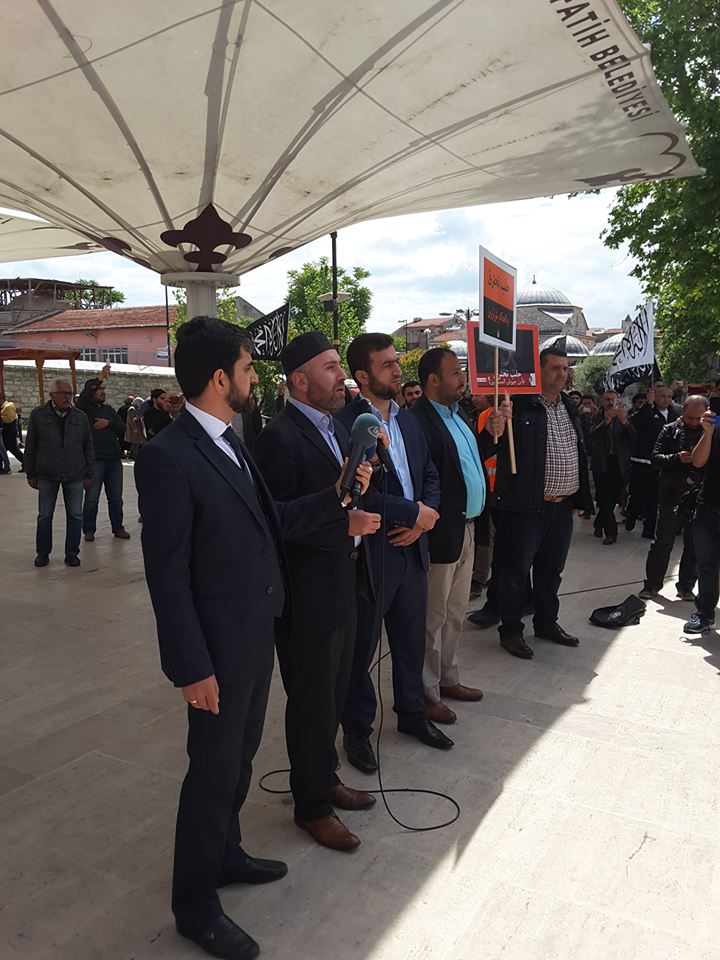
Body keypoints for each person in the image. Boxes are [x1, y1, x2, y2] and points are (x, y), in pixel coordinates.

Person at [135, 317, 372, 960]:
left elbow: (275, 520)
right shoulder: (168, 456)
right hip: (214, 651)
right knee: (211, 773)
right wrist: (190, 666)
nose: (253, 380)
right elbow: (167, 574)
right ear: (220, 378)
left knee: (237, 760)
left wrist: (338, 495)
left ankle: (227, 852)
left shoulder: (233, 441)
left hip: (253, 635)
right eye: (247, 369)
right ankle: (195, 905)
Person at [253, 332, 383, 853]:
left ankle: (325, 778)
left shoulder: (339, 426)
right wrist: (340, 519)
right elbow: (277, 522)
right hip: (307, 594)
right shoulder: (279, 438)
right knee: (311, 701)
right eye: (330, 367)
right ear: (299, 380)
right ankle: (311, 807)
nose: (341, 375)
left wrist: (361, 482)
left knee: (333, 693)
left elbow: (339, 495)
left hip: (343, 581)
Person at [337, 333, 451, 774]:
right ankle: (358, 730)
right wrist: (412, 513)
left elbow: (428, 471)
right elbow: (357, 491)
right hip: (373, 553)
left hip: (412, 549)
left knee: (410, 641)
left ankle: (412, 713)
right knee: (361, 650)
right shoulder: (347, 424)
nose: (397, 369)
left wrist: (426, 516)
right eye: (386, 364)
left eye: (396, 361)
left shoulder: (408, 419)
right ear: (362, 376)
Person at [411, 348, 510, 719]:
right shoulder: (417, 422)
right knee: (432, 619)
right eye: (455, 372)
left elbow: (467, 460)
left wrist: (490, 433)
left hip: (467, 527)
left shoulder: (460, 415)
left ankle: (447, 678)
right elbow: (425, 478)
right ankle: (424, 691)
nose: (463, 378)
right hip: (439, 534)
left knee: (455, 614)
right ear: (433, 379)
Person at [491, 345, 593, 659]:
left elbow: (577, 452)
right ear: (539, 370)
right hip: (526, 508)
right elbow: (496, 445)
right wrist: (497, 423)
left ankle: (547, 623)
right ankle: (511, 631)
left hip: (561, 508)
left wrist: (580, 498)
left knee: (551, 572)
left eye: (565, 368)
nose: (562, 373)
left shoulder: (568, 406)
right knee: (515, 573)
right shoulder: (518, 405)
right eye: (555, 368)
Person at [640, 396, 707, 600]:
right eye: (689, 417)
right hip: (672, 493)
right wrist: (676, 458)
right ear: (682, 412)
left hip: (699, 495)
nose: (694, 422)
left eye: (698, 418)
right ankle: (652, 585)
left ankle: (686, 587)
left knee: (694, 544)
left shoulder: (711, 431)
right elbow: (655, 457)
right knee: (662, 542)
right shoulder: (670, 430)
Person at [24, 379, 94, 567]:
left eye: (69, 393)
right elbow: (31, 446)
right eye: (63, 393)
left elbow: (88, 446)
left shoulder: (80, 417)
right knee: (45, 515)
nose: (67, 397)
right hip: (47, 473)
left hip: (75, 473)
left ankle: (72, 553)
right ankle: (42, 553)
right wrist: (30, 473)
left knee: (76, 515)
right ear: (52, 395)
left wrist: (89, 473)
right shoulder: (39, 415)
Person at [76, 365, 130, 541]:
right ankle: (89, 530)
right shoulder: (85, 409)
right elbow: (84, 397)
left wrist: (109, 423)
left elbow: (122, 427)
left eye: (104, 389)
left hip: (113, 459)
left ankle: (118, 527)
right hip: (95, 460)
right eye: (99, 389)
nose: (102, 392)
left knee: (116, 498)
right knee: (92, 498)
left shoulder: (109, 410)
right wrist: (100, 377)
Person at [625, 386, 681, 537]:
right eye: (662, 396)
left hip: (662, 462)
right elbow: (634, 421)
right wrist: (647, 406)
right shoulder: (646, 411)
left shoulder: (675, 415)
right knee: (638, 494)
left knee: (655, 497)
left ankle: (649, 528)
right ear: (654, 397)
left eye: (669, 397)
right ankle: (631, 515)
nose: (666, 400)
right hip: (643, 461)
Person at [683, 407, 720, 634]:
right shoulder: (714, 425)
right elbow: (697, 462)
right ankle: (705, 613)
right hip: (708, 507)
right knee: (706, 565)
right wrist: (707, 433)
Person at [588, 391, 635, 544]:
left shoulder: (625, 416)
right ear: (602, 401)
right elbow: (593, 435)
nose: (610, 402)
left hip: (620, 464)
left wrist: (625, 422)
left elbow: (634, 437)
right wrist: (606, 422)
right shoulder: (597, 416)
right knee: (605, 498)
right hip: (601, 464)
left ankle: (599, 522)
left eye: (612, 400)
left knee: (613, 499)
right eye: (607, 399)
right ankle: (611, 532)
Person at [0, 390, 25, 472]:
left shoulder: (8, 406)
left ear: (2, 399)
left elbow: (10, 419)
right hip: (6, 430)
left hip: (10, 430)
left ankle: (26, 463)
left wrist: (1, 417)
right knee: (4, 449)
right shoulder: (3, 407)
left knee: (13, 449)